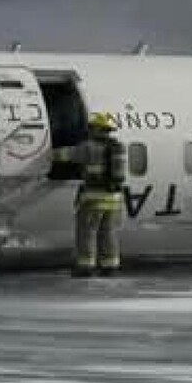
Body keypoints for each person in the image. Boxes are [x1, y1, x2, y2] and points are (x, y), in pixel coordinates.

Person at [53, 112, 126, 277]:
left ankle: (85, 266)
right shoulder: (116, 147)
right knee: (109, 233)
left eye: (92, 128)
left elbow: (65, 155)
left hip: (94, 198)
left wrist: (45, 153)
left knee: (87, 232)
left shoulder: (89, 147)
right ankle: (110, 266)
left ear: (97, 129)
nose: (90, 131)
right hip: (114, 199)